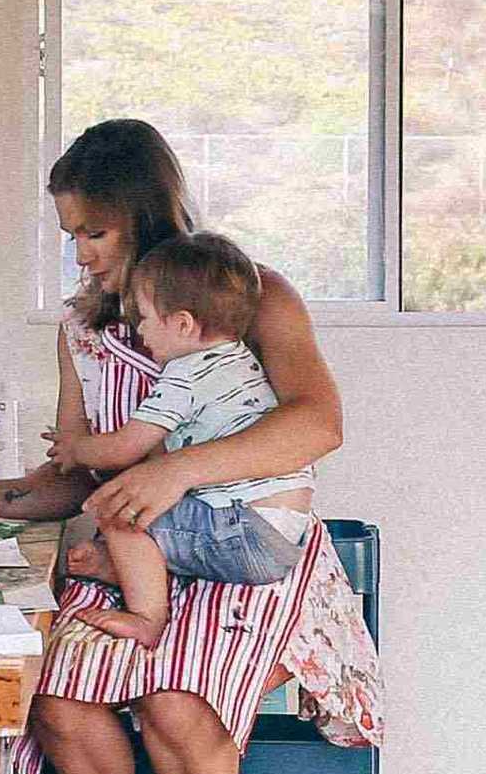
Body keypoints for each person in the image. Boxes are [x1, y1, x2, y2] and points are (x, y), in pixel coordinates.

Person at [0, 121, 380, 774]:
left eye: (95, 233)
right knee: (59, 700)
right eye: (70, 234)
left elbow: (316, 423)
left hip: (250, 549)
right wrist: (5, 500)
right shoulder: (79, 332)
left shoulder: (248, 295)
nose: (80, 255)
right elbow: (79, 471)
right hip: (145, 554)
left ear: (145, 215)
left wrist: (180, 471)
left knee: (178, 702)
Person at [50, 227, 310, 649]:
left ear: (183, 324)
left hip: (244, 530)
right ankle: (133, 565)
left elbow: (127, 447)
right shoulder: (241, 360)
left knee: (119, 513)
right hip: (285, 533)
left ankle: (147, 615)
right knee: (163, 508)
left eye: (146, 319)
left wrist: (76, 448)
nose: (142, 332)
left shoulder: (185, 374)